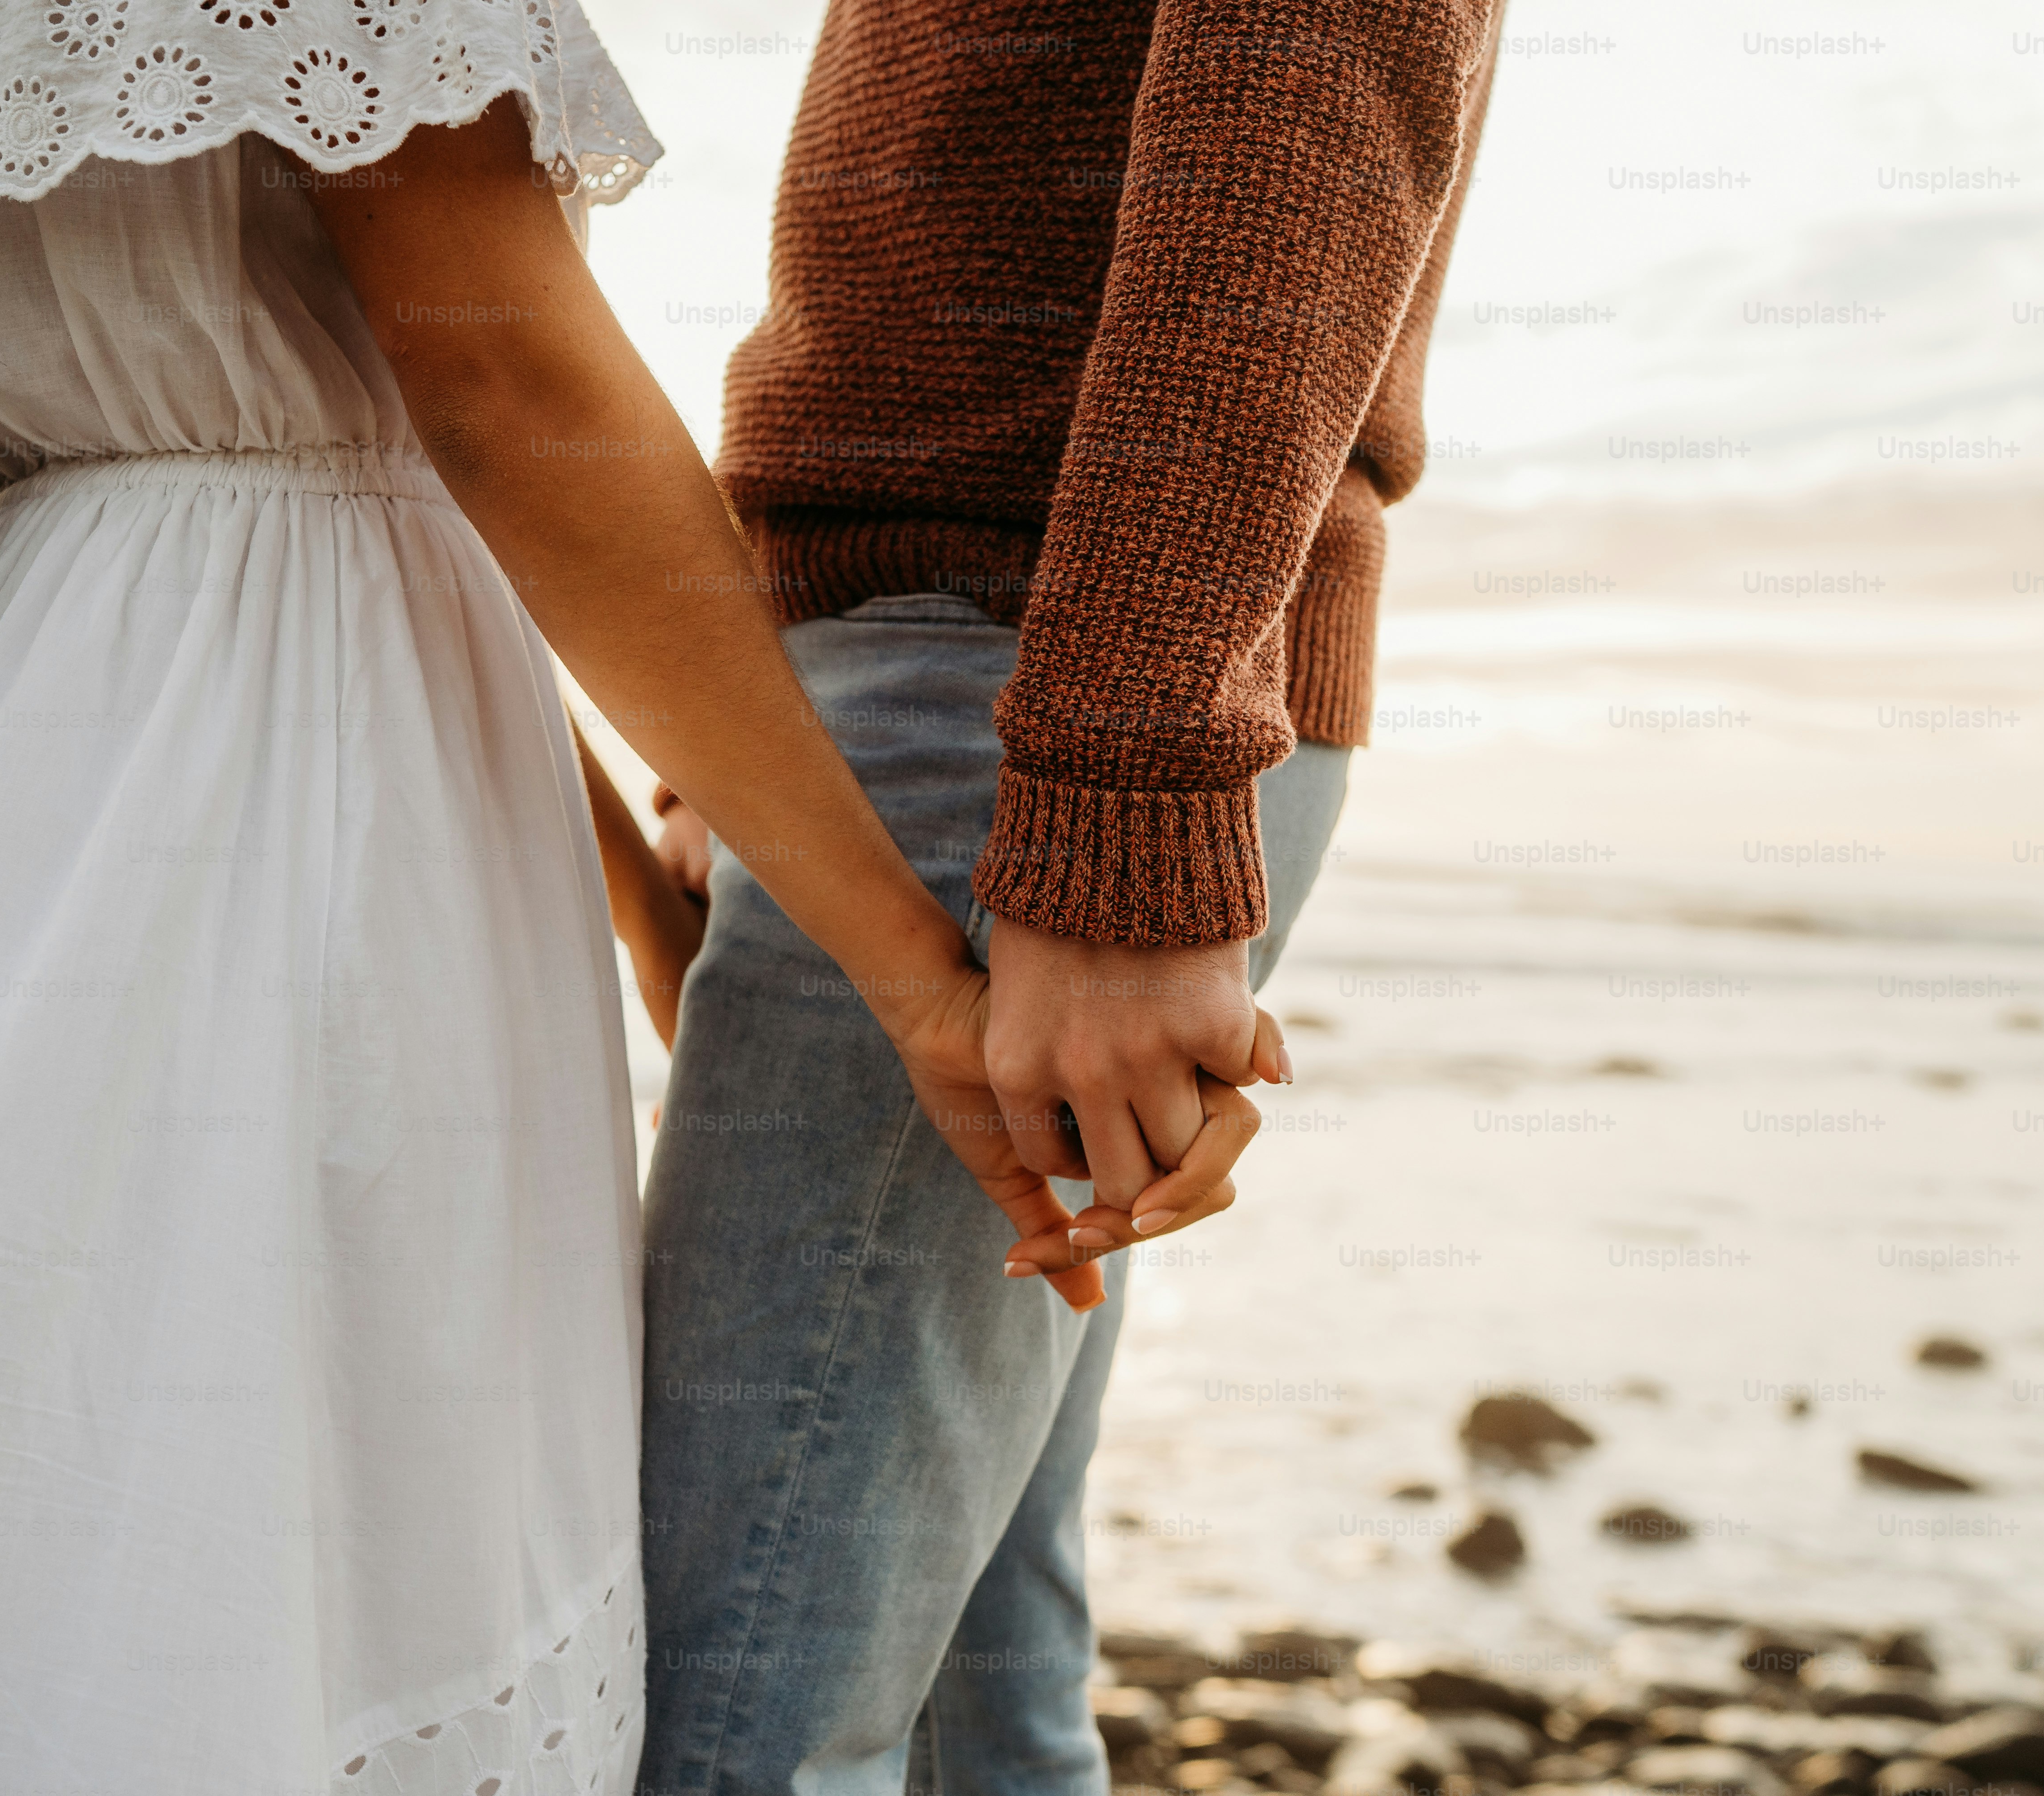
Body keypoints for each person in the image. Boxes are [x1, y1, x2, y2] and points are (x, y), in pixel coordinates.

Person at [0, 4, 1269, 1790]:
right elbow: (497, 395)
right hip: (314, 861)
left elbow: (322, 509)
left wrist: (655, 904)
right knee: (277, 1560)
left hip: (8, 773)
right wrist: (908, 968)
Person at [622, 3, 1508, 1791]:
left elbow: (1310, 76)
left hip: (1021, 676)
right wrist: (742, 715)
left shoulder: (1076, 734)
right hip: (964, 666)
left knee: (738, 1713)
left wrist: (1121, 785)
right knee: (967, 1671)